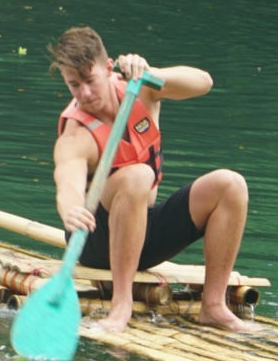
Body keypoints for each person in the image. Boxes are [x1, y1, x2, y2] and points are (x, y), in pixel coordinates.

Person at [50, 25, 258, 334]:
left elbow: (204, 82)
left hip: (143, 233)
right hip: (95, 242)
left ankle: (214, 306)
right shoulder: (76, 133)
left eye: (90, 80)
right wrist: (69, 209)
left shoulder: (142, 88)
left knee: (231, 184)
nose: (85, 93)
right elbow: (66, 181)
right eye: (74, 85)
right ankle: (121, 306)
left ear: (108, 69)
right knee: (139, 175)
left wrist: (152, 72)